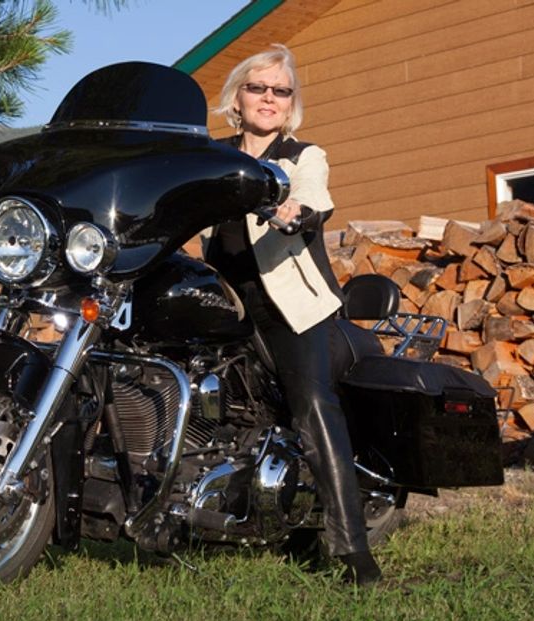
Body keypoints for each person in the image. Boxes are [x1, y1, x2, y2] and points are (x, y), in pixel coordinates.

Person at [202, 44, 383, 586]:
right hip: (223, 302)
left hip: (291, 307)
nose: (269, 99)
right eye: (258, 88)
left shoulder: (303, 155)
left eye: (281, 91)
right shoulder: (213, 157)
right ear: (237, 97)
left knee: (310, 404)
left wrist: (293, 211)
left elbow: (313, 197)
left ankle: (353, 552)